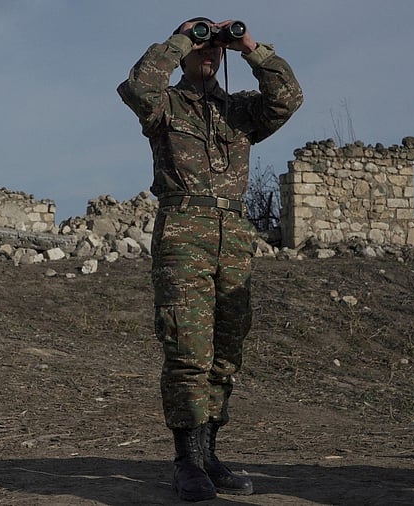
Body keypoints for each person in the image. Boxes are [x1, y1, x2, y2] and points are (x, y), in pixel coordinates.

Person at [117, 16, 302, 501]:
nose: (207, 52)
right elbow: (138, 87)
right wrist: (183, 37)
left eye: (212, 47)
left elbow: (288, 99)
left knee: (226, 352)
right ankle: (187, 462)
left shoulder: (240, 111)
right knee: (187, 350)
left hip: (234, 237)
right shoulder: (165, 105)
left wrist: (248, 47)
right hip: (183, 234)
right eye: (201, 45)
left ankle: (210, 453)